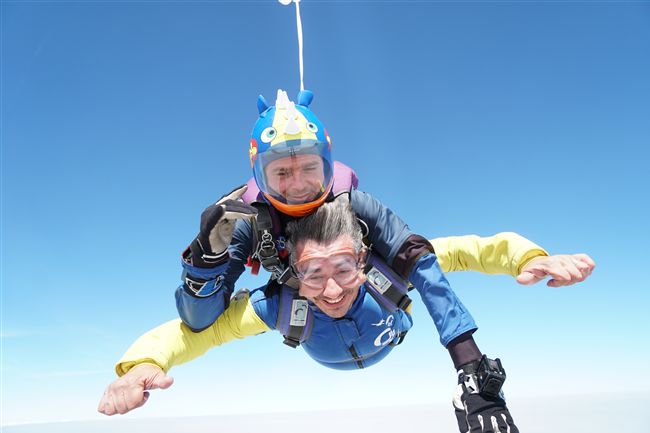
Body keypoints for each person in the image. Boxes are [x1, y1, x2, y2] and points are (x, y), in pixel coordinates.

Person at [175, 89, 594, 368]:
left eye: (309, 168)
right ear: (259, 176)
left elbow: (436, 255)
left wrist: (529, 257)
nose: (299, 186)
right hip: (318, 314)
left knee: (398, 272)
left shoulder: (356, 211)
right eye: (281, 173)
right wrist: (207, 259)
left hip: (352, 317)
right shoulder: (249, 230)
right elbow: (202, 326)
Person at [99, 199, 593, 432]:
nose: (331, 289)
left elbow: (471, 249)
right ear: (292, 273)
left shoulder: (388, 272)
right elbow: (195, 334)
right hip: (358, 343)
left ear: (362, 259)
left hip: (373, 336)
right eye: (312, 274)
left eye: (343, 268)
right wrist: (142, 364)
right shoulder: (282, 305)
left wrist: (529, 258)